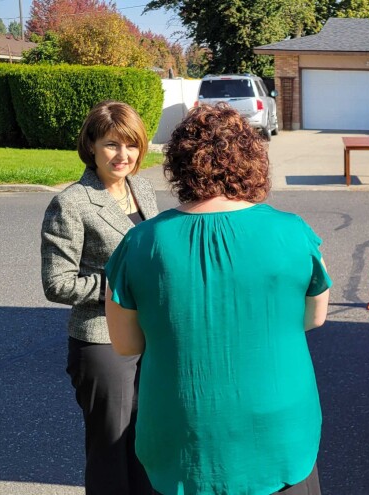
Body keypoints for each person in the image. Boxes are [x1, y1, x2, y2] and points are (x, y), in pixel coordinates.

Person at [104, 103, 332, 495]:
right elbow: (314, 317)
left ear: (179, 165)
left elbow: (126, 344)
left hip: (184, 432)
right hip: (279, 431)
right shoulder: (294, 232)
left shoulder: (140, 243)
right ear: (252, 162)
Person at [40, 100, 158, 495]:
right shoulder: (70, 202)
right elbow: (57, 283)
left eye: (131, 145)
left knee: (147, 444)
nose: (123, 155)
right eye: (111, 144)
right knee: (111, 451)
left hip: (149, 338)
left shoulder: (141, 188)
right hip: (102, 344)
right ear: (91, 145)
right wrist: (119, 285)